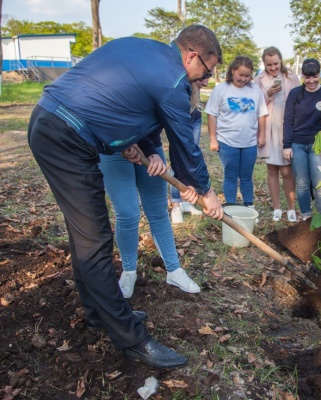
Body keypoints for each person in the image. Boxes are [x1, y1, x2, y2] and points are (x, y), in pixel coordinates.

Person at [28, 25, 224, 369]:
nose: (205, 80)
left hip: (49, 121)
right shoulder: (175, 80)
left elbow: (126, 102)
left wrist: (137, 143)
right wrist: (207, 192)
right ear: (192, 56)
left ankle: (97, 311)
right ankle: (131, 338)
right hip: (67, 135)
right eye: (207, 71)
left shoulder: (146, 50)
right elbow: (185, 147)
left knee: (84, 235)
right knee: (95, 239)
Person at [99, 127, 201, 298]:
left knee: (159, 212)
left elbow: (178, 137)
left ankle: (174, 270)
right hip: (114, 145)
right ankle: (129, 272)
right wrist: (136, 144)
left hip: (151, 147)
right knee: (128, 213)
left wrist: (153, 153)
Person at [206, 56, 268, 208]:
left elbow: (261, 114)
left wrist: (261, 135)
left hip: (249, 142)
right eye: (241, 74)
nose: (243, 79)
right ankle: (231, 207)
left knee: (246, 176)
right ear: (233, 71)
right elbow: (212, 114)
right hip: (227, 141)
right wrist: (213, 139)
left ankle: (249, 205)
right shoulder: (221, 89)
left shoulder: (255, 90)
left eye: (247, 76)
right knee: (231, 175)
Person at [256, 47, 300, 222]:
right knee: (272, 169)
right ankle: (276, 208)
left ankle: (291, 207)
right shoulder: (259, 79)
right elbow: (256, 103)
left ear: (281, 60)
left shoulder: (291, 77)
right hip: (268, 127)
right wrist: (268, 93)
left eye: (276, 64)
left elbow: (299, 100)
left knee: (287, 170)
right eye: (269, 65)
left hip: (287, 127)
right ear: (264, 64)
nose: (273, 68)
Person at [283, 58, 321, 222]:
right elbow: (288, 120)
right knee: (302, 183)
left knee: (320, 185)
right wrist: (286, 145)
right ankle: (306, 216)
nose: (311, 81)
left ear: (319, 74)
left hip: (318, 145)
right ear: (302, 76)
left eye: (315, 76)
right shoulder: (295, 94)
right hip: (297, 144)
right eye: (307, 77)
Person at [171, 81, 206, 223]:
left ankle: (185, 202)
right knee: (178, 160)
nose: (205, 82)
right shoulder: (179, 79)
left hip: (195, 115)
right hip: (180, 118)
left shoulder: (198, 77)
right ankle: (176, 205)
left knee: (189, 159)